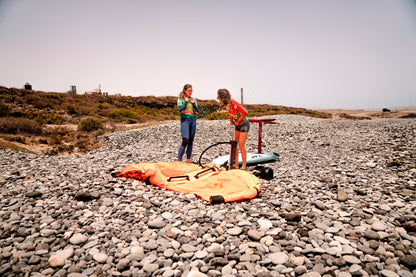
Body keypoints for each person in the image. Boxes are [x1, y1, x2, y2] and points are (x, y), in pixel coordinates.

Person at [217, 88, 250, 170]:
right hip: (237, 125)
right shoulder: (227, 105)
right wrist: (231, 120)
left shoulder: (233, 103)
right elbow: (231, 113)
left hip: (244, 124)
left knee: (241, 145)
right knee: (234, 145)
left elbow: (245, 112)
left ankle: (244, 166)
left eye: (219, 97)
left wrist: (238, 121)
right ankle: (235, 165)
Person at [177, 84, 199, 163]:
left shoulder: (193, 99)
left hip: (192, 120)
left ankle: (188, 160)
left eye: (191, 91)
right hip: (185, 120)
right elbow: (180, 109)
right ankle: (179, 160)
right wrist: (186, 102)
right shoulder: (180, 99)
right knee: (185, 140)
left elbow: (197, 111)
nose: (190, 92)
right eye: (189, 91)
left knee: (191, 141)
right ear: (184, 90)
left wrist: (193, 104)